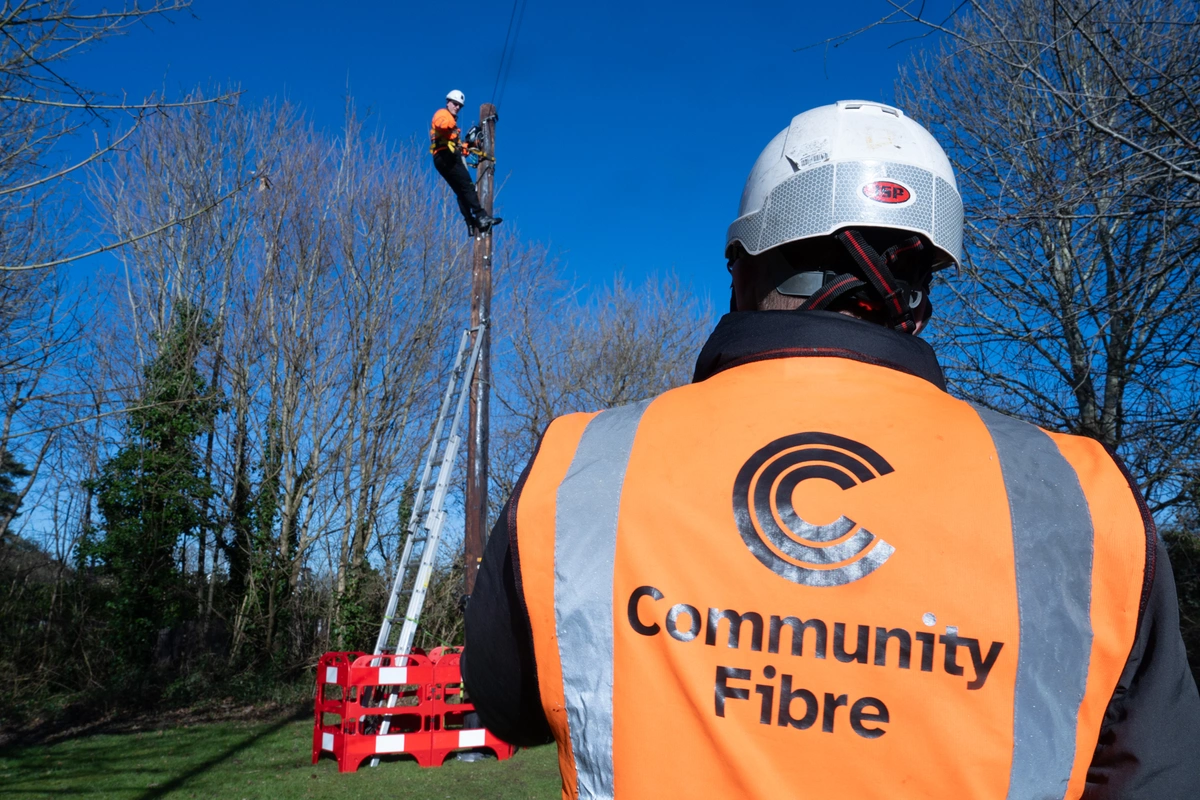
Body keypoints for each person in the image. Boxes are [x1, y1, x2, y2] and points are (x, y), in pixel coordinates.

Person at [462, 100, 1200, 798]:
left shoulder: (584, 463)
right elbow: (1156, 774)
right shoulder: (1083, 497)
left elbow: (506, 702)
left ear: (744, 267)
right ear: (919, 292)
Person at [431, 89, 500, 234]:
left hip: (442, 158)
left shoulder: (452, 126)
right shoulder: (443, 115)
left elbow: (456, 145)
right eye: (455, 104)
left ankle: (470, 222)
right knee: (468, 186)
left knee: (461, 191)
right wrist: (452, 128)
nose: (457, 107)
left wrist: (468, 146)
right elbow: (440, 124)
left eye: (459, 106)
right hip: (446, 156)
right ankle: (481, 216)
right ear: (448, 102)